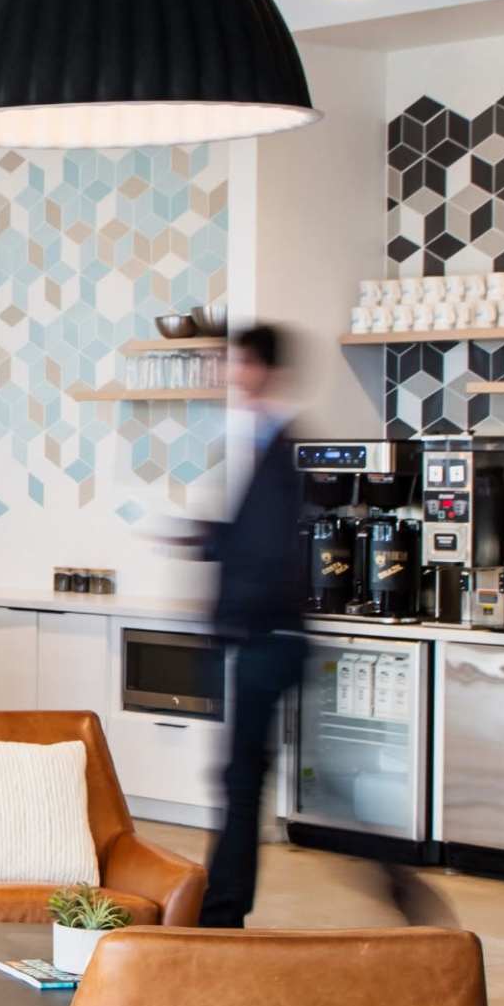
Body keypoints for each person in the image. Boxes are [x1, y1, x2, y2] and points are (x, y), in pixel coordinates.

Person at [195, 323, 310, 929]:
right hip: (268, 637)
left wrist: (217, 549)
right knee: (245, 774)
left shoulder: (280, 443)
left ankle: (220, 913)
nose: (229, 375)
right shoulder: (263, 440)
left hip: (270, 638)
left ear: (260, 368)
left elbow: (267, 551)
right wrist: (211, 537)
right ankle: (222, 908)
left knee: (241, 778)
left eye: (236, 364)